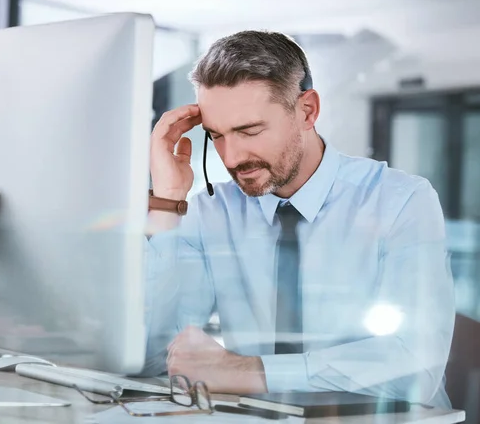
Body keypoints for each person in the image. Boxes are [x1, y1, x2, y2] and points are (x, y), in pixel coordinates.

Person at [142, 30, 455, 408]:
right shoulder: (211, 212)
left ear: (307, 111)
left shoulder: (402, 200)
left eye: (249, 130)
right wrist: (167, 200)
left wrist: (251, 372)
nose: (232, 157)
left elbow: (416, 367)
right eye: (216, 135)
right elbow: (153, 358)